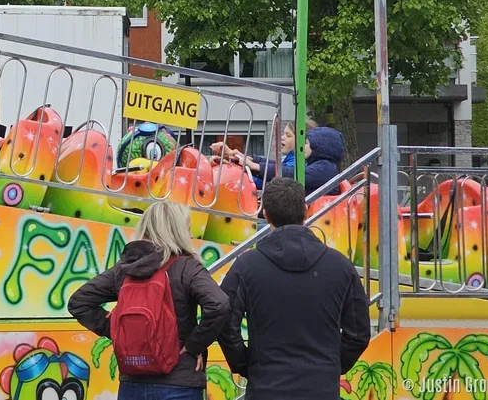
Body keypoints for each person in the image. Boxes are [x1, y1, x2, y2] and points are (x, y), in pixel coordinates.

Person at [216, 178, 371, 400]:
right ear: (306, 211)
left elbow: (225, 322)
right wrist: (331, 366)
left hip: (266, 388)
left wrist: (247, 365)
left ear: (265, 214)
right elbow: (358, 334)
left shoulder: (246, 266)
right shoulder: (341, 266)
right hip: (322, 389)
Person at [68, 201, 229, 400]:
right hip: (178, 381)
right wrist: (194, 345)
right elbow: (219, 304)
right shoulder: (187, 268)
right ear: (177, 231)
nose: (190, 235)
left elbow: (79, 302)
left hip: (133, 381)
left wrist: (123, 332)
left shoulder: (125, 269)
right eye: (187, 229)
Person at [215, 122, 342, 195]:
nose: (282, 137)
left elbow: (291, 173)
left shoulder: (324, 169)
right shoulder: (319, 165)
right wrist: (245, 160)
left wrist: (254, 166)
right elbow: (277, 166)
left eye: (307, 143)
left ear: (320, 148)